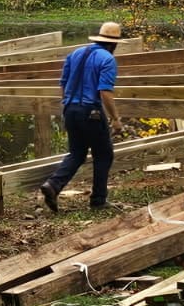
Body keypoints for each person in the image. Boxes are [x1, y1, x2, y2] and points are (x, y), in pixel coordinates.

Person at [39, 21, 125, 214]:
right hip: (91, 111)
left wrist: (68, 104)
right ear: (114, 44)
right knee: (103, 155)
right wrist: (116, 118)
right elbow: (104, 92)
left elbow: (63, 83)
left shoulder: (75, 54)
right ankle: (98, 200)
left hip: (70, 109)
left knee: (77, 153)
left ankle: (53, 185)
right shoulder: (107, 60)